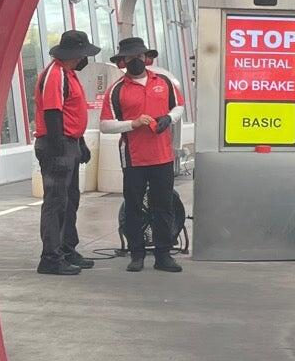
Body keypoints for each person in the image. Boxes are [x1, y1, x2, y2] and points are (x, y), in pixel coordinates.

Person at [103, 35, 184, 274]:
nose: (135, 61)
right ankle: (136, 254)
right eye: (130, 58)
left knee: (164, 206)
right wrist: (133, 123)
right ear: (123, 62)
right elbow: (105, 125)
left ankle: (163, 255)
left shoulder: (164, 82)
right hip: (133, 157)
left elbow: (179, 106)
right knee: (133, 206)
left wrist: (169, 118)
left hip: (163, 156)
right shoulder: (116, 90)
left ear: (146, 57)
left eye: (139, 56)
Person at [34, 27, 102, 276]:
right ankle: (50, 257)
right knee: (56, 202)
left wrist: (79, 143)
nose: (85, 59)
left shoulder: (68, 74)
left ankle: (66, 249)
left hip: (68, 143)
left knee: (69, 200)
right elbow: (53, 114)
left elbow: (70, 113)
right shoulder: (55, 75)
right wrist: (60, 150)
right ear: (75, 54)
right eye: (84, 55)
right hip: (57, 145)